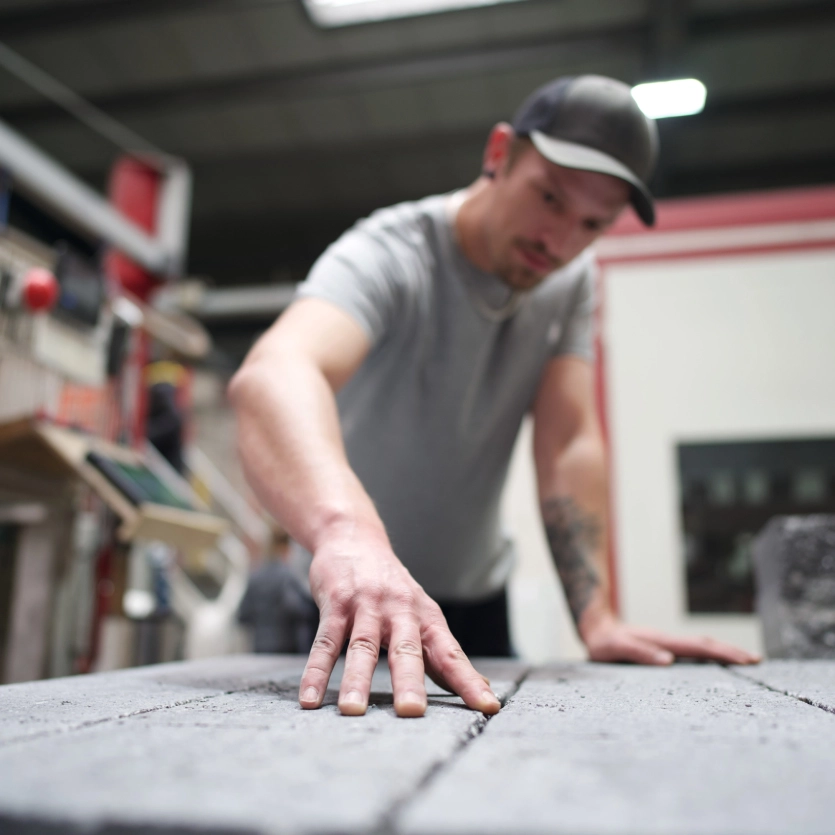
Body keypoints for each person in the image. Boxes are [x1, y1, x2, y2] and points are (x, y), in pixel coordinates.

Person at [229, 75, 760, 720]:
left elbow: (568, 442)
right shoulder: (392, 253)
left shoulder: (568, 281)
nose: (559, 241)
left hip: (472, 603)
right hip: (340, 597)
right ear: (500, 153)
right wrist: (348, 536)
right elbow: (275, 375)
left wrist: (597, 616)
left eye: (592, 224)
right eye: (550, 198)